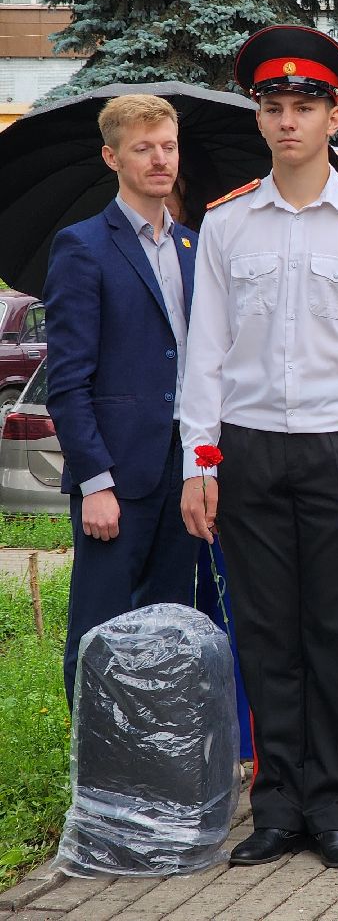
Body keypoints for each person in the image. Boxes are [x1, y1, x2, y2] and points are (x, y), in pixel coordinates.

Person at [179, 25, 338, 870]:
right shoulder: (227, 225)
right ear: (260, 118)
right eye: (274, 107)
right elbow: (202, 355)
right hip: (246, 451)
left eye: (305, 107)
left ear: (333, 118)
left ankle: (336, 805)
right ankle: (275, 805)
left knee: (335, 633)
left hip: (336, 452)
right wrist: (198, 467)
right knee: (266, 637)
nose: (288, 121)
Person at [45, 94, 197, 707]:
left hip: (184, 467)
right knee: (100, 631)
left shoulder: (193, 246)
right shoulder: (83, 246)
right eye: (144, 149)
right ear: (113, 157)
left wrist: (206, 465)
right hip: (117, 474)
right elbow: (68, 382)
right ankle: (93, 782)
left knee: (172, 629)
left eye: (168, 146)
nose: (160, 160)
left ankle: (161, 770)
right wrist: (95, 482)